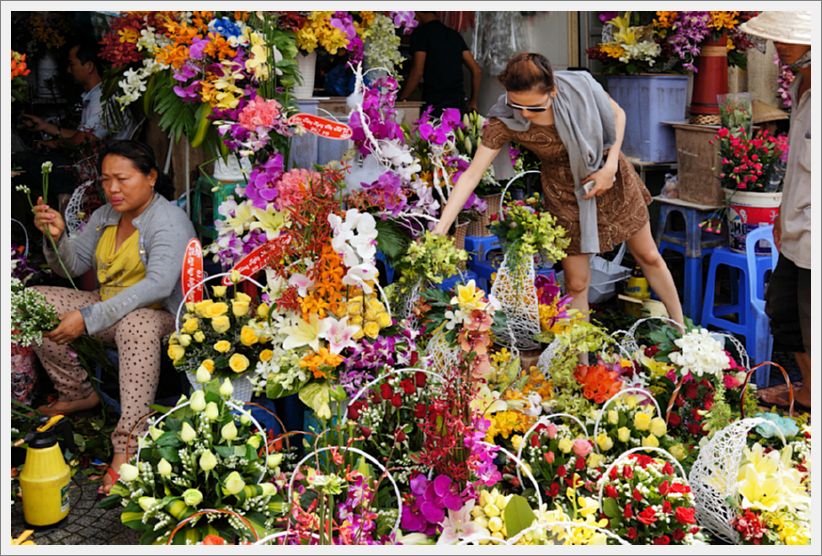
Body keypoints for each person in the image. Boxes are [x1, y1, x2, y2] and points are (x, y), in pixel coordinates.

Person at [433, 52, 684, 325]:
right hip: (564, 194)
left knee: (648, 255)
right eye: (518, 106)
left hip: (608, 176)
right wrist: (441, 227)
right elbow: (471, 176)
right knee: (576, 283)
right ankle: (581, 362)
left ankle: (681, 331)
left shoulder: (579, 89)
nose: (525, 114)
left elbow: (618, 115)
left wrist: (610, 167)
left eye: (535, 108)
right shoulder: (504, 120)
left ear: (552, 91)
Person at [31, 140, 196, 494]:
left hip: (161, 318)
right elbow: (71, 266)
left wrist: (88, 317)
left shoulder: (167, 221)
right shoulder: (106, 215)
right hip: (108, 309)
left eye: (122, 179)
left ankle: (128, 446)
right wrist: (56, 238)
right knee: (34, 301)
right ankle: (76, 392)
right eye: (105, 180)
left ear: (151, 177)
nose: (112, 189)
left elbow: (157, 286)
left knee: (137, 324)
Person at [741, 11, 812, 411]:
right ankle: (808, 387)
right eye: (778, 40)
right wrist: (782, 213)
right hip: (795, 225)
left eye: (790, 39)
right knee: (783, 311)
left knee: (809, 318)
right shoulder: (803, 84)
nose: (780, 48)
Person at [21, 40, 136, 149]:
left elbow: (82, 140)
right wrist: (44, 126)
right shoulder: (96, 94)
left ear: (89, 66)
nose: (69, 70)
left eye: (72, 64)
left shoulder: (103, 98)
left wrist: (55, 144)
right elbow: (81, 135)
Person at [398, 11, 482, 116]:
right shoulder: (454, 35)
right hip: (457, 104)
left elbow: (417, 72)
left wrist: (402, 98)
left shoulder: (421, 34)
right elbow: (476, 70)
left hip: (434, 104)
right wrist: (473, 101)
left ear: (417, 12)